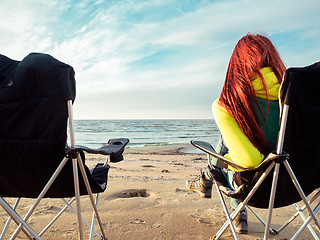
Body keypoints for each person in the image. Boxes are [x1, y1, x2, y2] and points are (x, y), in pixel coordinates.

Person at [185, 33, 286, 234]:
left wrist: (225, 160)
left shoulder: (226, 105)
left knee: (232, 154)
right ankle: (207, 181)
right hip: (299, 184)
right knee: (233, 137)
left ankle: (210, 181)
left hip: (260, 190)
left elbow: (248, 163)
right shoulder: (296, 95)